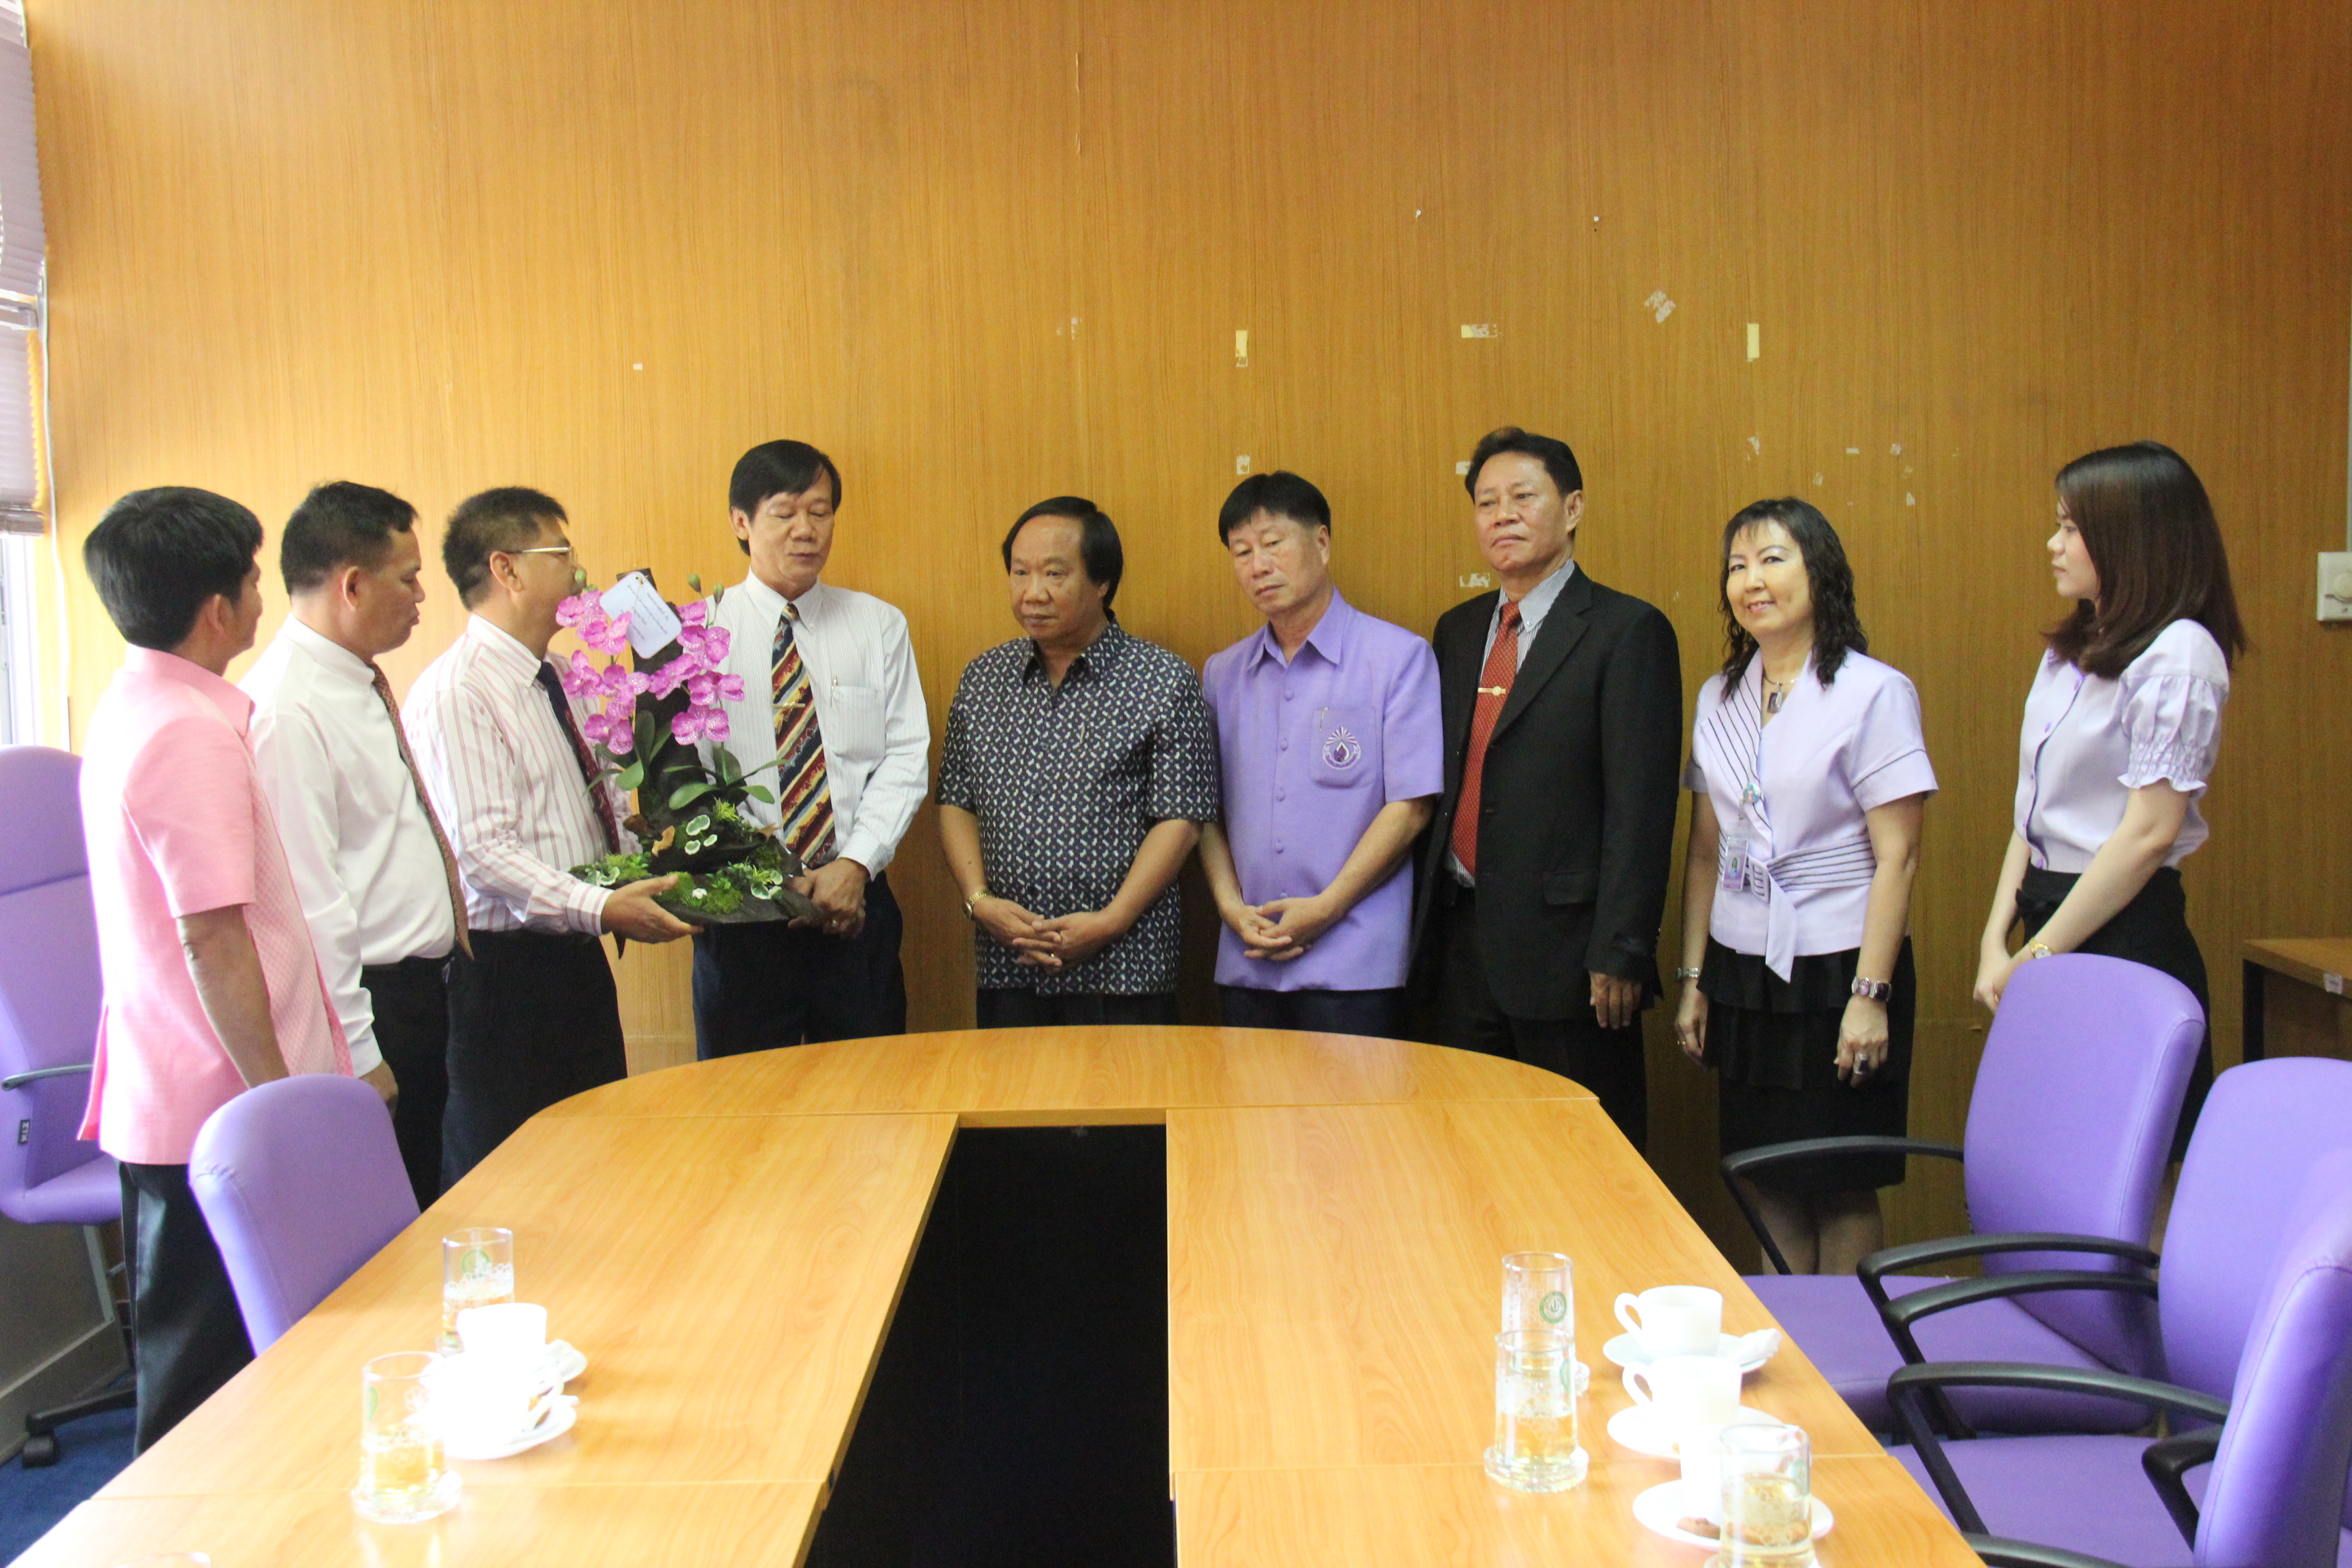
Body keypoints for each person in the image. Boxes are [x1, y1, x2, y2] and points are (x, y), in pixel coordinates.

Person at [78, 487, 367, 1450]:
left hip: (186, 1093)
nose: (259, 595)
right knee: (205, 1389)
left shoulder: (137, 702)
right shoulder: (185, 731)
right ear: (216, 610)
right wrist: (277, 1108)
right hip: (218, 1106)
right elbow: (212, 938)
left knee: (217, 1370)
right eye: (250, 578)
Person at [1672, 498, 1934, 1275]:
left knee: (1840, 1186)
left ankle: (1845, 1347)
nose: (1752, 580)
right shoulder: (1718, 698)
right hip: (1743, 968)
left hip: (1840, 967)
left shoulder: (1874, 692)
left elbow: (1899, 857)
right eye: (1737, 566)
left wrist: (1870, 995)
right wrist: (1694, 979)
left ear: (1820, 573)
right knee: (1766, 1181)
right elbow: (1705, 852)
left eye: (1773, 560)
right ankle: (1785, 1340)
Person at [406, 487, 693, 1187]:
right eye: (561, 553)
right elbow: (482, 853)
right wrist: (603, 906)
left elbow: (592, 807)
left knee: (595, 1167)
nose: (579, 570)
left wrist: (649, 864)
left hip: (574, 964)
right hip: (505, 979)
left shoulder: (560, 677)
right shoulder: (459, 691)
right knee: (512, 1184)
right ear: (505, 569)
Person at [1413, 427, 1681, 1149]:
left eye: (1523, 497)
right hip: (1461, 943)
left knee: (1581, 1155)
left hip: (1571, 957)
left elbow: (1641, 809)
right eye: (1486, 502)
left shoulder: (1627, 631)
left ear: (1573, 508)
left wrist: (1622, 949)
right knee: (1471, 1151)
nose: (1502, 515)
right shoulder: (1458, 631)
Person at [1974, 441, 2244, 1158]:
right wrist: (1996, 939)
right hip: (2047, 918)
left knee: (2128, 1168)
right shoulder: (2072, 648)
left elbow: (2149, 834)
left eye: (2070, 527)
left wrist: (2036, 956)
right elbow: (2032, 810)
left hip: (2122, 929)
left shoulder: (2179, 653)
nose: (2053, 543)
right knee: (2050, 1157)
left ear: (2131, 537)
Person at [244, 482, 470, 1206]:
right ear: (351, 585)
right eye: (408, 578)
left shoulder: (354, 679)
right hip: (372, 1007)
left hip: (420, 994)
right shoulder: (288, 707)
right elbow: (309, 901)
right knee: (384, 1220)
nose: (422, 595)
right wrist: (360, 1053)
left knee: (425, 1198)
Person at [685, 441, 929, 1054]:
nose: (806, 530)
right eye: (785, 513)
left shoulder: (878, 625)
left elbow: (905, 755)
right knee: (742, 1100)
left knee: (869, 1094)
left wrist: (854, 866)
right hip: (742, 913)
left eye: (820, 513)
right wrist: (770, 877)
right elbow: (687, 781)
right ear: (741, 522)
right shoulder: (695, 635)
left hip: (855, 906)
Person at [937, 497, 1220, 1026]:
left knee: (1127, 1085)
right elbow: (956, 802)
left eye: (1054, 573)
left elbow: (1181, 819)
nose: (1033, 592)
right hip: (1010, 962)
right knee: (1010, 1084)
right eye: (1020, 572)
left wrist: (1111, 921)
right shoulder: (983, 679)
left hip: (1126, 966)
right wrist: (979, 901)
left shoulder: (1162, 680)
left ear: (1103, 581)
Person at [1197, 472, 1441, 1037]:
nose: (1259, 566)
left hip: (1355, 962)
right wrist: (1231, 909)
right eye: (1242, 552)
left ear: (1323, 543)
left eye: (1273, 543)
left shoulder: (1398, 658)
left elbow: (1412, 807)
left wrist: (1328, 907)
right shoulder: (1222, 673)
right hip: (1248, 956)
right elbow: (1202, 812)